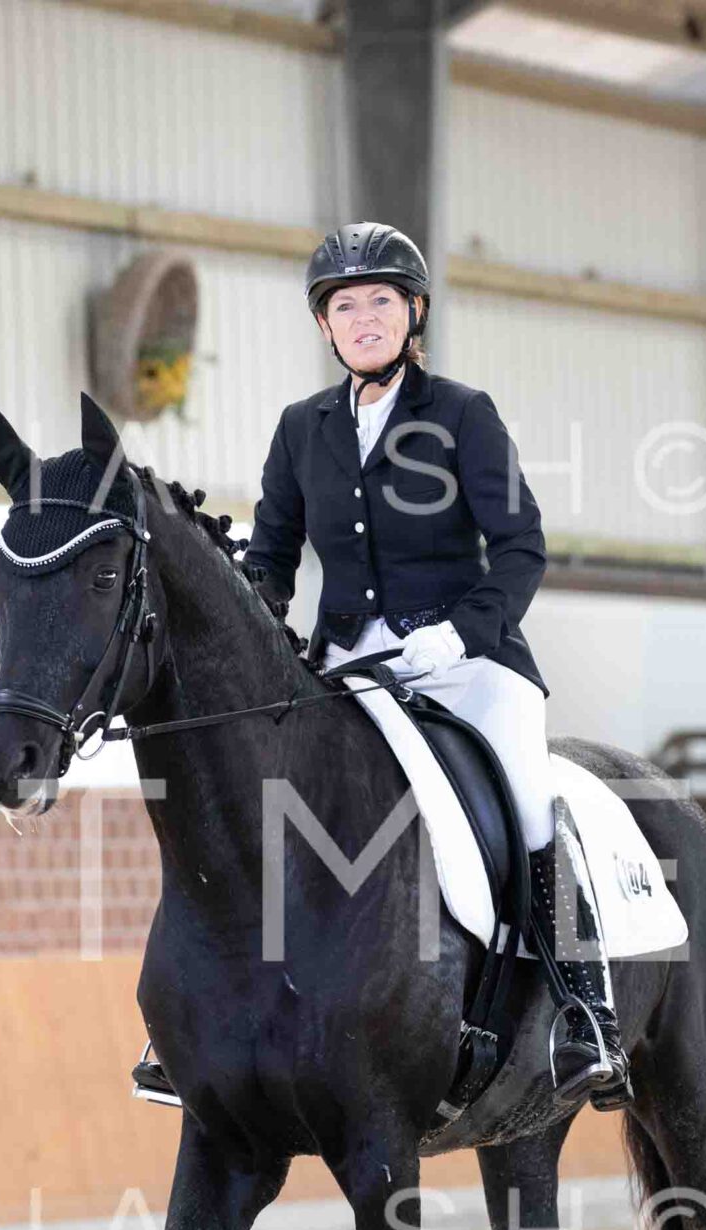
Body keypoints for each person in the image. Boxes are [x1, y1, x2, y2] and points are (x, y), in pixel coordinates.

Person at [237, 220, 629, 1107]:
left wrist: (460, 633)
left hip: (465, 663)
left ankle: (586, 1013)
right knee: (253, 798)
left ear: (413, 313)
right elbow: (272, 560)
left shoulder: (460, 414)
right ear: (325, 325)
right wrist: (250, 627)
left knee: (527, 801)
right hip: (348, 666)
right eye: (345, 306)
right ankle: (210, 1015)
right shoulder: (301, 430)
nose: (364, 318)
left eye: (381, 300)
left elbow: (522, 547)